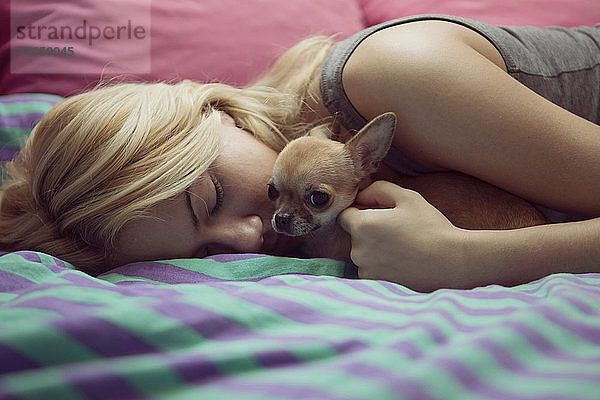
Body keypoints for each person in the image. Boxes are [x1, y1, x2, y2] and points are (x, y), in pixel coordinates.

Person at [1, 15, 599, 291]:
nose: (245, 241)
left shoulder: (392, 76)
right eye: (208, 255)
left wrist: (470, 261)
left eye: (210, 196)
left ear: (218, 116)